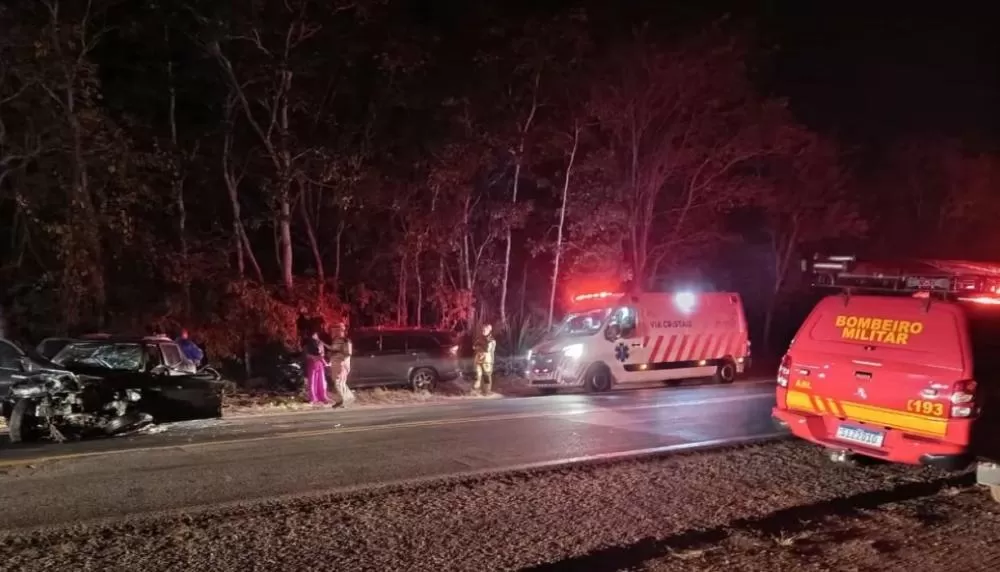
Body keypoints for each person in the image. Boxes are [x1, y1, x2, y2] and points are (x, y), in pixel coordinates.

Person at [323, 320, 355, 408]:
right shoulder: (340, 340)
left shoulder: (343, 340)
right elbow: (334, 350)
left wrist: (342, 363)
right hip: (338, 363)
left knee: (338, 382)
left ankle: (343, 400)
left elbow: (346, 353)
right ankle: (347, 399)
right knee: (340, 382)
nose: (332, 332)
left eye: (334, 330)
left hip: (340, 364)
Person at [303, 331, 329, 405]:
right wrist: (313, 357)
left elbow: (322, 354)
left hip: (319, 363)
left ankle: (322, 396)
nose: (314, 336)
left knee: (321, 380)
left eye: (315, 334)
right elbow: (306, 355)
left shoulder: (320, 343)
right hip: (312, 364)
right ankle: (313, 397)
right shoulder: (307, 344)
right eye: (313, 334)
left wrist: (319, 357)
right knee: (312, 381)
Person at [472, 323, 496, 396]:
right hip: (479, 359)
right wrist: (479, 348)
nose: (483, 331)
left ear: (489, 330)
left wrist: (479, 348)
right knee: (477, 375)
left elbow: (487, 349)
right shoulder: (479, 338)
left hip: (487, 360)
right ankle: (477, 390)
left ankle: (486, 391)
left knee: (486, 376)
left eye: (485, 330)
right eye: (482, 329)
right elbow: (474, 346)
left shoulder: (491, 340)